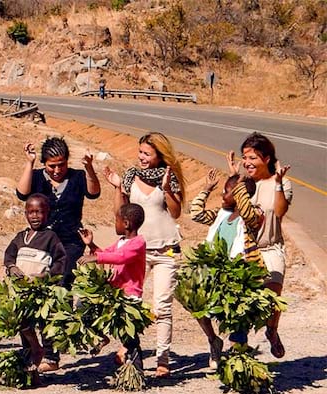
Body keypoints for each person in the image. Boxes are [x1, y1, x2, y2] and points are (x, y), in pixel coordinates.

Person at [16, 136, 100, 372]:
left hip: (69, 243)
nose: (56, 170)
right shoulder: (36, 178)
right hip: (39, 245)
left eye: (61, 165)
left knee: (57, 288)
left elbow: (94, 193)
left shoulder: (77, 178)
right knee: (32, 293)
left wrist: (89, 168)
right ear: (44, 163)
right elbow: (22, 194)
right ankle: (32, 350)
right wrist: (29, 163)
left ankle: (52, 354)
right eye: (51, 166)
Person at [105, 132, 185, 378]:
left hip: (165, 249)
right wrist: (119, 187)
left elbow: (176, 212)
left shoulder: (168, 176)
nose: (141, 157)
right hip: (136, 250)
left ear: (159, 156)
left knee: (162, 306)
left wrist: (167, 189)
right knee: (129, 303)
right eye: (140, 152)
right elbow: (120, 216)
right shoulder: (130, 176)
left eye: (147, 154)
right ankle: (129, 347)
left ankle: (162, 359)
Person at [227, 132, 292, 358]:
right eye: (245, 157)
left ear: (266, 159)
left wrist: (278, 184)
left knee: (273, 292)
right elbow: (227, 211)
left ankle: (272, 330)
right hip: (244, 248)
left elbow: (281, 211)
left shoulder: (281, 182)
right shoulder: (244, 183)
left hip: (270, 247)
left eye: (253, 158)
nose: (247, 163)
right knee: (241, 299)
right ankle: (239, 348)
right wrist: (234, 180)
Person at [190, 169, 264, 369]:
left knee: (237, 323)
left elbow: (248, 212)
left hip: (239, 278)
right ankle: (213, 340)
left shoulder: (254, 216)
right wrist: (206, 189)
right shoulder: (221, 215)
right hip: (215, 274)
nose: (222, 195)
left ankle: (239, 366)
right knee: (195, 303)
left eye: (226, 192)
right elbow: (195, 214)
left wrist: (240, 186)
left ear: (240, 195)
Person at [77, 203, 147, 371]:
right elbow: (108, 254)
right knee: (83, 307)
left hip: (129, 296)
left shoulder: (139, 243)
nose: (114, 223)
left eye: (116, 220)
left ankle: (137, 372)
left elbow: (120, 258)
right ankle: (101, 337)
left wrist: (96, 259)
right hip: (114, 295)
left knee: (128, 336)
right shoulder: (121, 242)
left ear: (126, 223)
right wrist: (91, 245)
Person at [4, 193, 66, 370]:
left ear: (47, 213)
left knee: (46, 322)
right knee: (24, 322)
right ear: (25, 214)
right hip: (22, 291)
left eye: (39, 212)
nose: (35, 216)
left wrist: (47, 277)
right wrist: (11, 267)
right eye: (31, 212)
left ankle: (51, 358)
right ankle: (30, 353)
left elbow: (61, 260)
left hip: (42, 292)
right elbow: (9, 255)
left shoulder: (50, 237)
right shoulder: (20, 237)